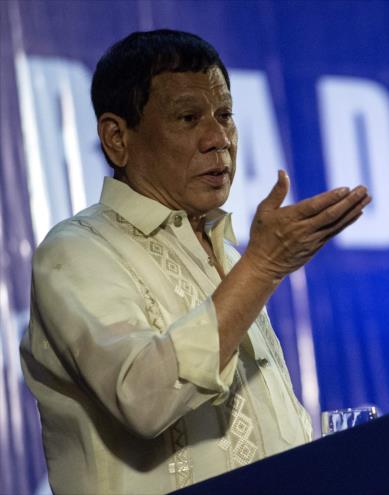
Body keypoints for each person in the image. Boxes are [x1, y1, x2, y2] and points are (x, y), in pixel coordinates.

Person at [19, 29, 370, 494]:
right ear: (117, 138)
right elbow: (143, 397)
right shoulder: (76, 251)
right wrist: (263, 268)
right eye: (188, 118)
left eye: (225, 115)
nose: (218, 138)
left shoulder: (226, 255)